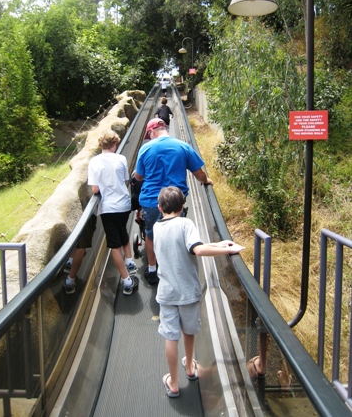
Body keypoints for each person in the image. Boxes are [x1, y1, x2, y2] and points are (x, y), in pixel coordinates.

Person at [154, 186, 245, 398]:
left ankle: (174, 382)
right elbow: (197, 249)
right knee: (189, 331)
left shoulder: (157, 227)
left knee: (170, 336)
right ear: (183, 206)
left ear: (159, 208)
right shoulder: (186, 223)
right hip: (188, 292)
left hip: (167, 293)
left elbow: (192, 245)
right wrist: (227, 249)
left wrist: (217, 243)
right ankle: (190, 368)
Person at [134, 118, 213, 285]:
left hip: (151, 201)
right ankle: (176, 271)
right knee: (177, 235)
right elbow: (199, 174)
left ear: (151, 132)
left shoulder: (146, 148)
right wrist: (206, 181)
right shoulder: (182, 146)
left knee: (151, 235)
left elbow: (139, 176)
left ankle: (152, 270)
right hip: (176, 201)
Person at [88, 130, 139, 295]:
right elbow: (124, 179)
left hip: (108, 207)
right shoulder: (121, 158)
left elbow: (95, 188)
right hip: (124, 204)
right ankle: (130, 260)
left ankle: (126, 281)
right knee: (122, 229)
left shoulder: (94, 162)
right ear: (114, 144)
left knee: (114, 244)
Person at [64, 213, 97, 294]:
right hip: (85, 213)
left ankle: (70, 261)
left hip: (73, 213)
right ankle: (70, 280)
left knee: (74, 238)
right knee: (81, 246)